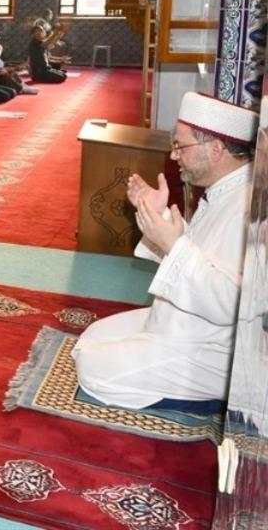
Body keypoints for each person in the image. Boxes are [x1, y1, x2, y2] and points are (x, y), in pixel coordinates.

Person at [74, 92, 256, 409]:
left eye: (181, 146)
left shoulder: (247, 205)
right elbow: (200, 254)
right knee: (90, 339)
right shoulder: (226, 188)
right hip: (179, 323)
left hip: (210, 347)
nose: (174, 156)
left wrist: (171, 242)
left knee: (93, 368)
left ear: (216, 150)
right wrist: (157, 218)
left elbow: (231, 302)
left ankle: (210, 401)